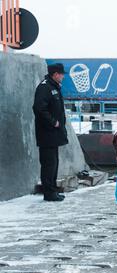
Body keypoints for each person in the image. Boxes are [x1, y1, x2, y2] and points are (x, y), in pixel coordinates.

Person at [32, 63, 69, 202]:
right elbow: (39, 108)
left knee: (54, 162)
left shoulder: (53, 87)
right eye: (62, 74)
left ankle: (52, 190)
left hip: (54, 134)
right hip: (47, 134)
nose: (63, 77)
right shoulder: (45, 87)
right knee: (48, 164)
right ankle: (48, 193)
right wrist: (53, 122)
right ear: (55, 74)